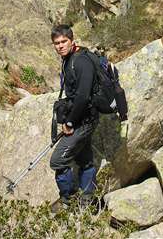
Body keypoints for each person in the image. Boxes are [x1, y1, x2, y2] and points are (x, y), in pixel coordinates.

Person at [49, 24, 99, 212]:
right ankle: (87, 200)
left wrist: (69, 122)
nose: (60, 46)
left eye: (64, 42)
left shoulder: (81, 62)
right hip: (80, 118)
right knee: (85, 160)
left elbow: (83, 96)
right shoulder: (68, 59)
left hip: (84, 121)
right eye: (56, 43)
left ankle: (67, 200)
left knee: (57, 161)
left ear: (72, 41)